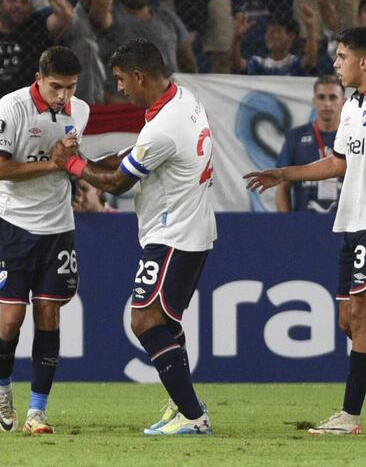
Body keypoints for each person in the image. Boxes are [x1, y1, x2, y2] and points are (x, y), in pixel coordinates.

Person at [244, 27, 366, 435]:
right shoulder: (353, 106)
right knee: (348, 322)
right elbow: (337, 163)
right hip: (352, 222)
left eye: (342, 56)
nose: (336, 63)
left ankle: (349, 417)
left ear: (364, 61)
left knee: (363, 320)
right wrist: (284, 174)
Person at [52, 39, 216, 435]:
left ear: (140, 76)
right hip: (190, 229)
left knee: (144, 320)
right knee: (165, 322)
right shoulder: (183, 100)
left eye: (122, 79)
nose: (120, 88)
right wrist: (85, 160)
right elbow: (133, 154)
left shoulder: (164, 128)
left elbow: (119, 182)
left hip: (174, 234)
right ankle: (183, 406)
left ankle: (193, 416)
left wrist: (71, 165)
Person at [0, 46, 89, 435]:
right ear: (39, 79)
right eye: (56, 87)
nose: (63, 96)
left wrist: (76, 165)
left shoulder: (80, 111)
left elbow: (72, 161)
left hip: (58, 224)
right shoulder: (11, 108)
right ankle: (1, 385)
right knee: (11, 319)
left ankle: (37, 412)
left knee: (49, 313)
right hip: (14, 221)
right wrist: (54, 163)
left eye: (71, 87)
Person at [90, 0, 197, 101]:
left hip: (168, 99)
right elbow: (97, 15)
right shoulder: (112, 16)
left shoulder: (167, 17)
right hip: (124, 101)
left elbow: (187, 59)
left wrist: (192, 93)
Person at [276, 75, 345, 212]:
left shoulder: (354, 137)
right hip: (304, 222)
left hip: (345, 222)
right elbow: (283, 187)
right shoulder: (295, 137)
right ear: (314, 101)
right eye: (321, 97)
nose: (327, 103)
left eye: (333, 97)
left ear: (344, 101)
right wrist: (286, 221)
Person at [231, 11, 318, 76]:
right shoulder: (258, 63)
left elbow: (310, 61)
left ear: (291, 36)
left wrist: (310, 28)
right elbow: (236, 64)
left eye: (276, 31)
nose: (269, 35)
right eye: (267, 31)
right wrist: (236, 38)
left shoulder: (295, 63)